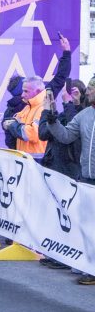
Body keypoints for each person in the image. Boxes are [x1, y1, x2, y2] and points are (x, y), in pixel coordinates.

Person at [44, 78, 95, 284]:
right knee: (87, 225)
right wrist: (52, 120)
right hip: (86, 179)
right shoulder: (84, 115)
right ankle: (91, 269)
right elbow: (65, 136)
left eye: (91, 89)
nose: (87, 92)